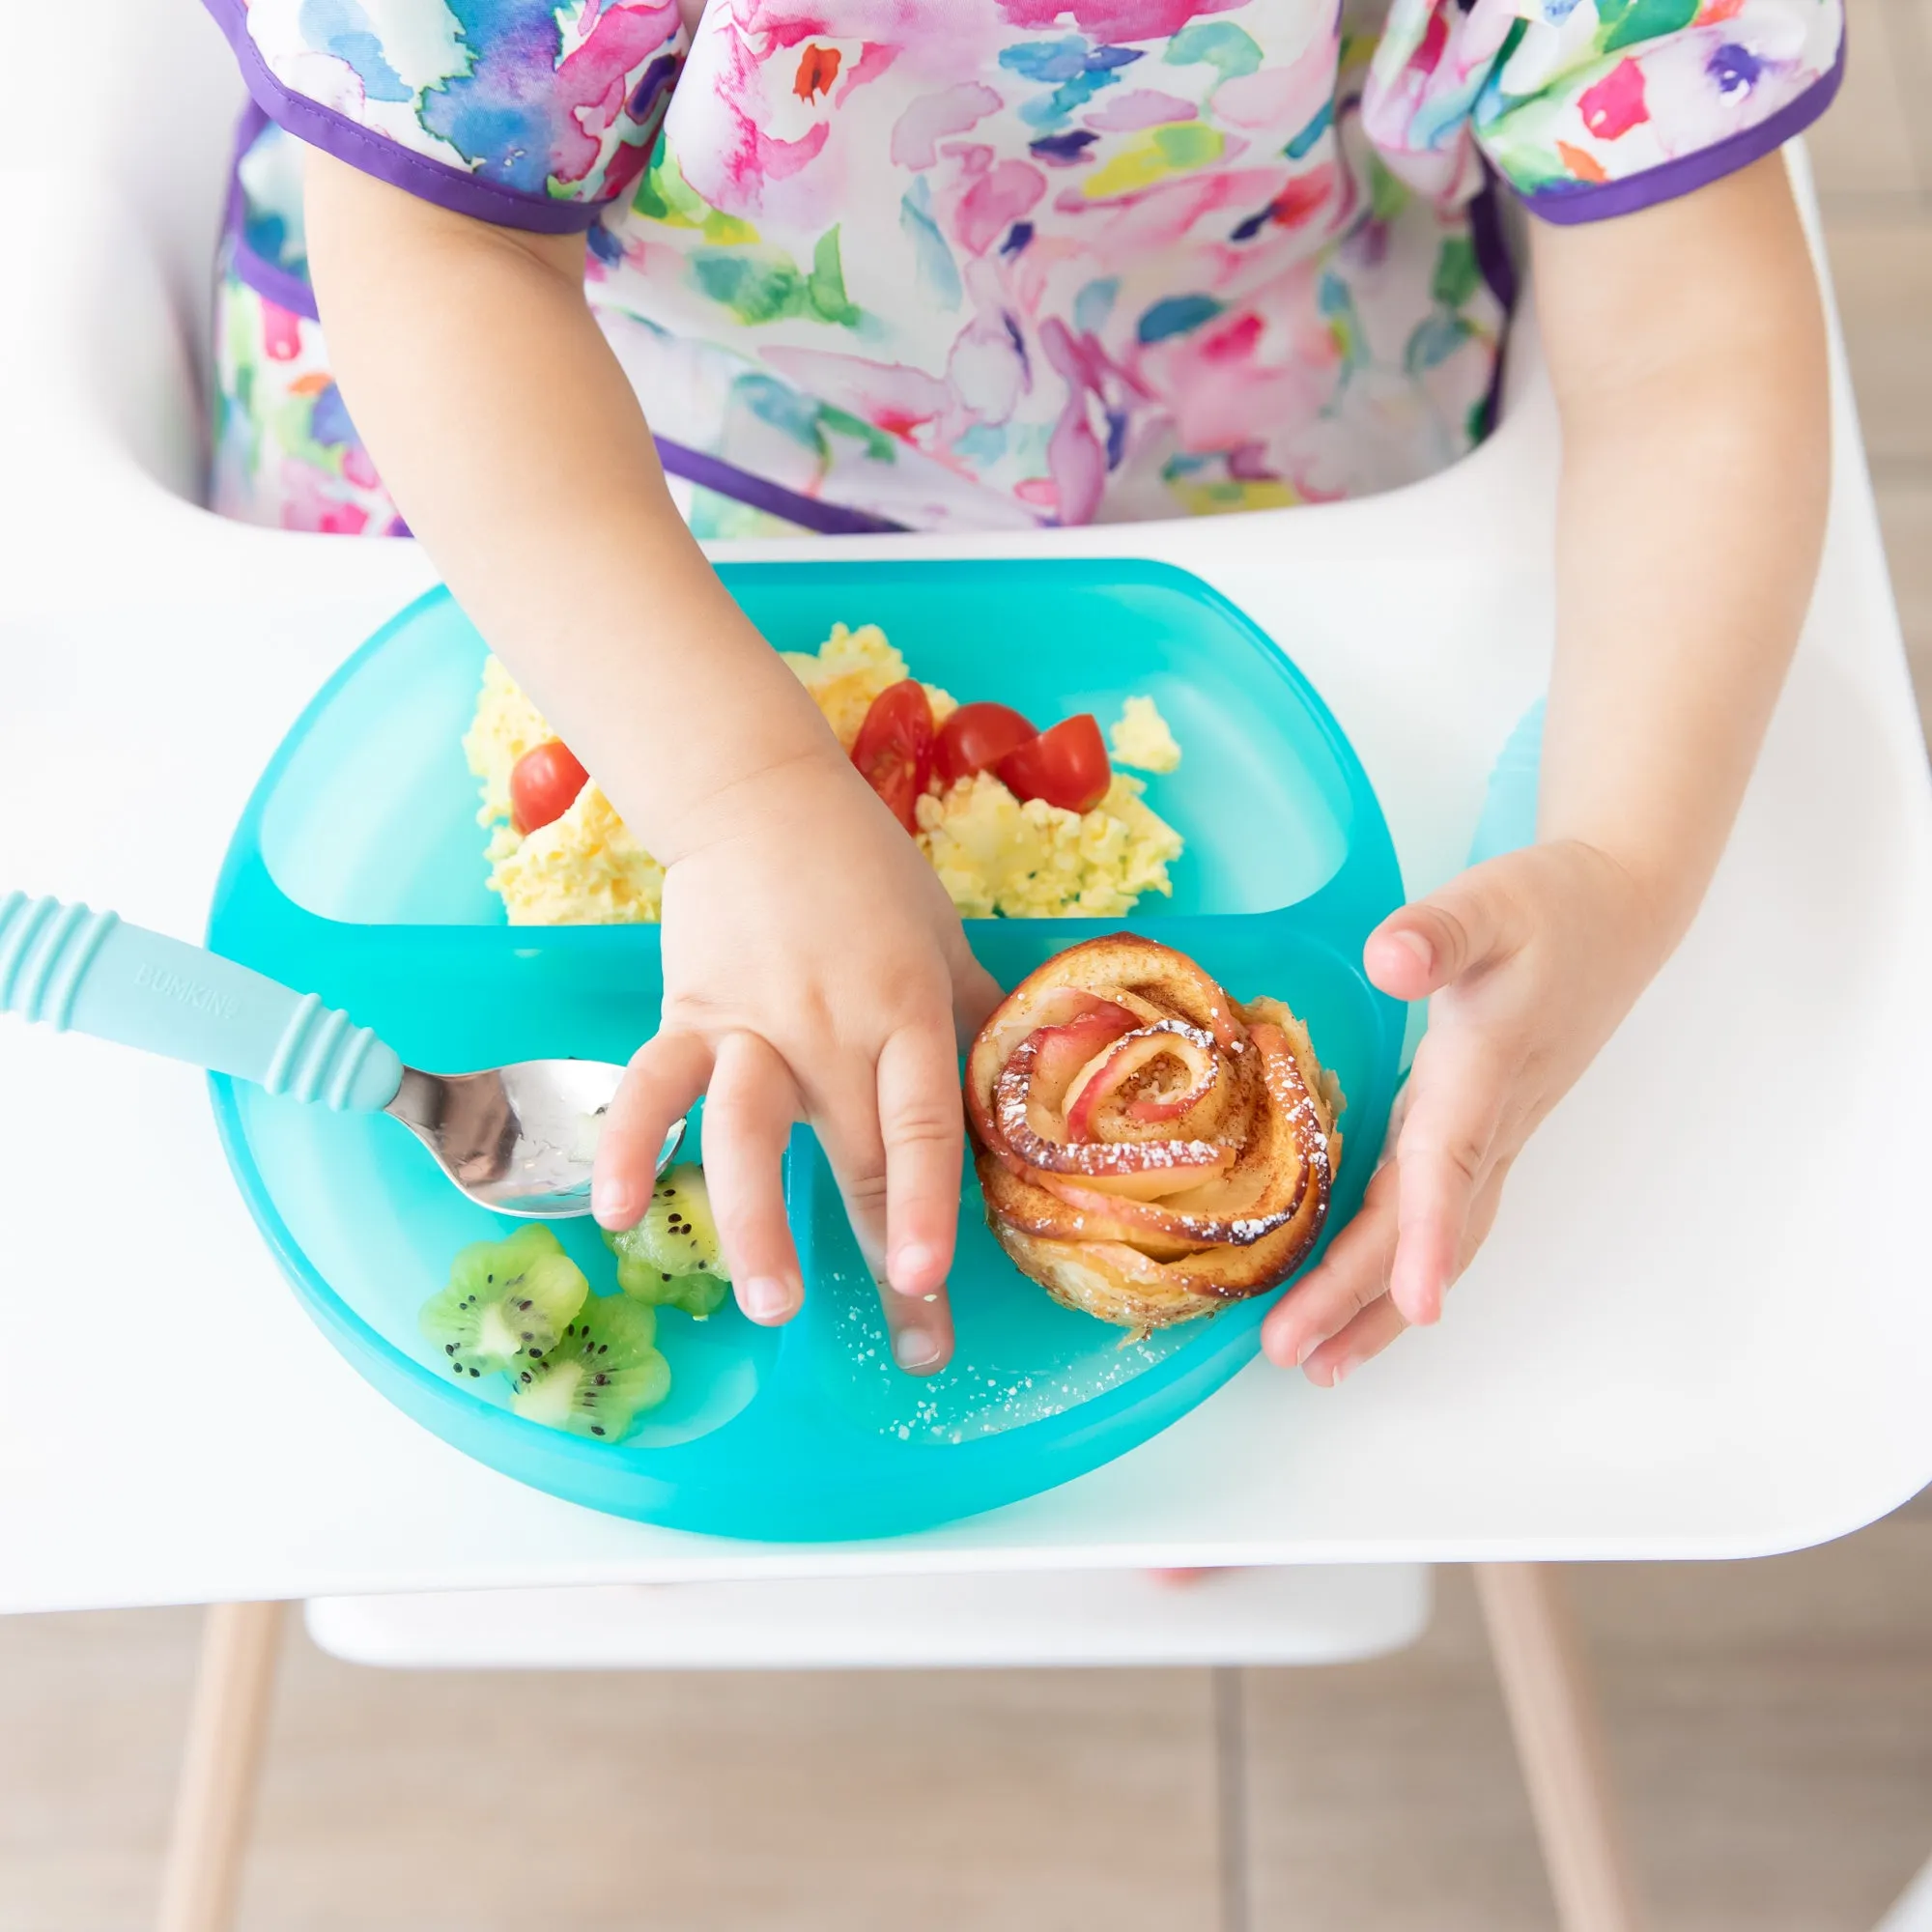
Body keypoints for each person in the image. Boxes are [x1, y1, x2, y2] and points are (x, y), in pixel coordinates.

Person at [200, 0, 1836, 1383]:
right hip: (604, 423)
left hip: (1250, 402)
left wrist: (1631, 858)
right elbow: (444, 247)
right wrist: (744, 800)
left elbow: (1692, 334)